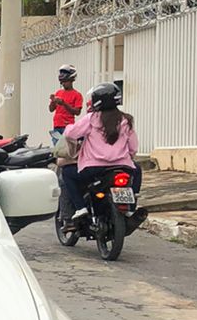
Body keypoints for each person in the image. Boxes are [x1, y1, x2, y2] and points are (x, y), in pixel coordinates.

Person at [60, 83, 140, 221]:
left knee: (67, 173)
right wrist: (128, 158)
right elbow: (133, 148)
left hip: (93, 169)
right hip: (122, 166)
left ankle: (80, 207)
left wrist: (68, 128)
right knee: (137, 169)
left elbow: (70, 134)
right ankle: (131, 207)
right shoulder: (127, 120)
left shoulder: (91, 118)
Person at [48, 65, 83, 146]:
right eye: (62, 82)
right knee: (57, 149)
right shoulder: (58, 93)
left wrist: (64, 103)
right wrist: (53, 101)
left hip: (68, 127)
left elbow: (77, 112)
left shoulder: (77, 95)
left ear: (71, 80)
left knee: (67, 149)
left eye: (65, 82)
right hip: (56, 126)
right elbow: (51, 109)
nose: (63, 84)